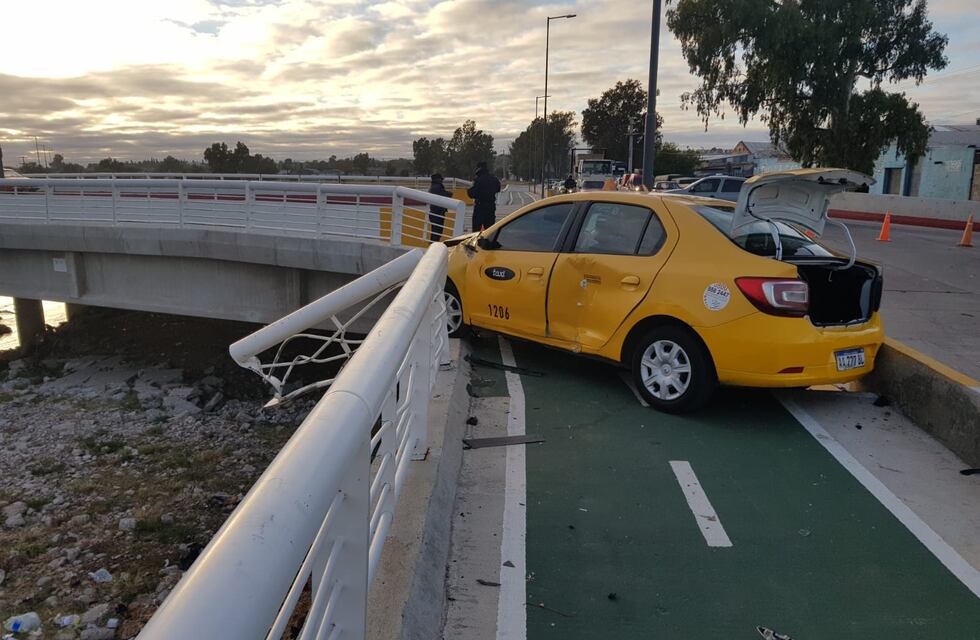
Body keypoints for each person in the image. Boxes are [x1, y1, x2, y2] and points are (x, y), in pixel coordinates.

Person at [467, 161, 501, 232]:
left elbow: (472, 194)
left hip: (480, 207)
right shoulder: (494, 178)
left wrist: (469, 190)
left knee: (476, 231)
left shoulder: (478, 180)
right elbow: (498, 189)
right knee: (490, 231)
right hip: (491, 207)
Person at [427, 173, 452, 242]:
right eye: (441, 179)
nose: (442, 180)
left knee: (435, 232)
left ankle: (432, 245)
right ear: (438, 180)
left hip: (435, 212)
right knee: (437, 233)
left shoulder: (433, 186)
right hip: (437, 213)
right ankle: (433, 246)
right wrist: (449, 193)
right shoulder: (437, 187)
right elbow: (444, 195)